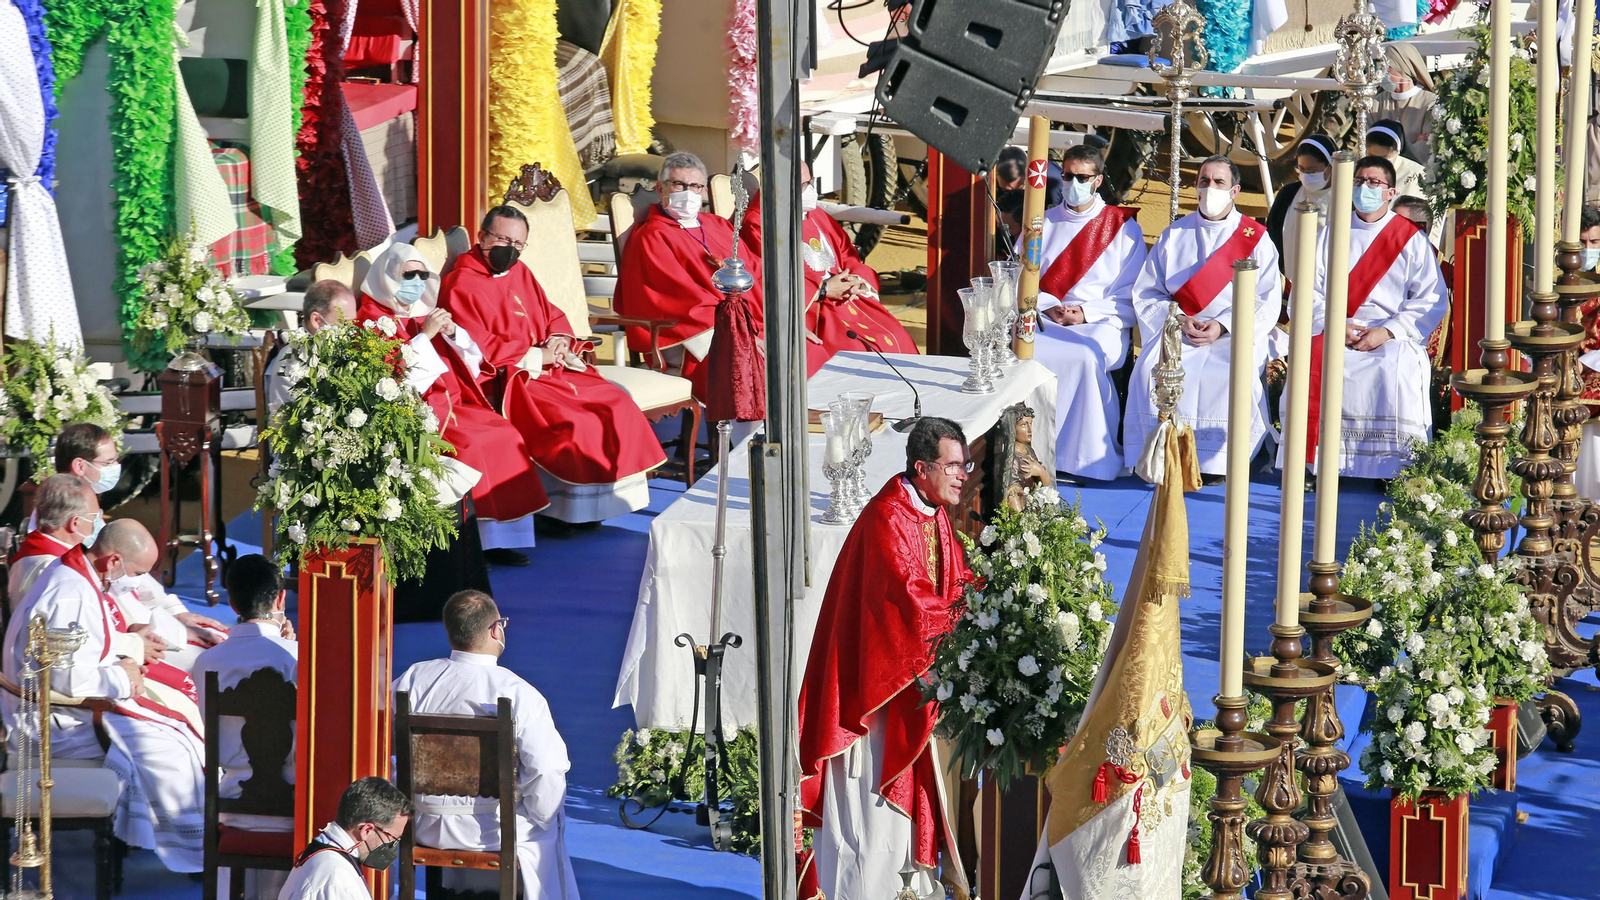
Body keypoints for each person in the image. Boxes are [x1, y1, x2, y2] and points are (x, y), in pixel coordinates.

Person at [797, 417, 971, 900]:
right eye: (953, 465)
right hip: (869, 703)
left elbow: (955, 581)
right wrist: (971, 615)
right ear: (922, 467)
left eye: (965, 465)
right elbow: (909, 606)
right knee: (870, 821)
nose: (963, 475)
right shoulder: (886, 520)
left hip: (903, 688)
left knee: (900, 824)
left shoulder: (931, 511)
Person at [440, 205, 667, 533]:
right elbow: (476, 346)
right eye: (503, 239)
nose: (510, 250)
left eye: (518, 244)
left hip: (548, 367)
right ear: (482, 237)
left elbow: (550, 313)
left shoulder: (521, 271)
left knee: (615, 403)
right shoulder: (462, 283)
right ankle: (559, 512)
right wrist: (537, 356)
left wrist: (559, 339)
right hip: (511, 376)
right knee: (576, 419)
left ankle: (593, 508)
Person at [3, 517, 205, 873]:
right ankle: (192, 848)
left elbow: (83, 647)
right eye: (138, 572)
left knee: (180, 727)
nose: (139, 581)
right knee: (170, 750)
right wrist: (123, 679)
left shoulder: (78, 577)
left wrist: (124, 652)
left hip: (69, 704)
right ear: (113, 561)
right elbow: (63, 677)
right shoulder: (69, 591)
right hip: (54, 721)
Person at [360, 242, 548, 564]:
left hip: (453, 405)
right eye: (409, 275)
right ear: (389, 276)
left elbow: (470, 362)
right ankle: (473, 544)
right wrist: (425, 336)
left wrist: (453, 334)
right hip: (418, 415)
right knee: (473, 447)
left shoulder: (422, 312)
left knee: (507, 435)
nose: (417, 282)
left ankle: (499, 541)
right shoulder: (372, 320)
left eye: (422, 274)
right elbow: (391, 381)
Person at [392, 591, 579, 899]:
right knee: (549, 820)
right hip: (492, 832)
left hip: (422, 822)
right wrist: (541, 816)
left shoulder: (414, 678)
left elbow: (383, 740)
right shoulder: (518, 692)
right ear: (496, 630)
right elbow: (546, 769)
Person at [1288, 156, 1448, 479]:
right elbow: (1308, 290)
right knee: (1315, 360)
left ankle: (1393, 469)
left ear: (1390, 193)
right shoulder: (1332, 232)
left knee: (1397, 369)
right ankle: (1315, 466)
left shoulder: (1410, 239)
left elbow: (1432, 297)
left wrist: (1387, 332)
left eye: (1374, 182)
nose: (1365, 188)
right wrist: (1335, 325)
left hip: (1388, 334)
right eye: (1359, 181)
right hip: (1337, 328)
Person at [1125, 156, 1281, 480]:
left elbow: (1266, 299)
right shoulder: (1174, 234)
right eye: (1204, 181)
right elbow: (1147, 292)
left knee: (1228, 377)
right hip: (1178, 330)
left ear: (1235, 190)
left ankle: (1219, 463)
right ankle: (1160, 453)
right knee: (1148, 373)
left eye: (1219, 182)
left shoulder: (1256, 238)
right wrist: (1180, 319)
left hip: (1231, 334)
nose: (1210, 188)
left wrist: (1222, 325)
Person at [49, 424, 227, 661]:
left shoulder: (89, 511)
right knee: (212, 662)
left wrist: (175, 612)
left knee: (219, 644)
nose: (116, 469)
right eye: (108, 463)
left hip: (139, 624)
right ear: (80, 466)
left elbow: (133, 575)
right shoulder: (65, 529)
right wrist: (166, 630)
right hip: (122, 640)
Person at [1027, 143, 1146, 481]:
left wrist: (1085, 313)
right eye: (1067, 176)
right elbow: (1022, 278)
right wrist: (1050, 307)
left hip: (1102, 320)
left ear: (1098, 180)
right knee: (1027, 352)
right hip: (1046, 318)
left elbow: (1131, 291)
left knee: (1083, 356)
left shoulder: (1122, 228)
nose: (1072, 183)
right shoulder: (1041, 224)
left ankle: (1084, 458)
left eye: (1081, 177)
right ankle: (1032, 452)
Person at [739, 161, 921, 374]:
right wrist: (822, 290)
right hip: (810, 309)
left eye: (809, 182)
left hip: (850, 299)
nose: (810, 191)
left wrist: (858, 282)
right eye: (803, 185)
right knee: (858, 352)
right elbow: (767, 280)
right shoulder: (760, 224)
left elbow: (847, 253)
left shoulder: (815, 214)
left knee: (894, 334)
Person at [613, 152, 766, 400]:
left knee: (798, 349)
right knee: (751, 368)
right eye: (679, 185)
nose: (688, 192)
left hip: (746, 325)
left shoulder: (717, 225)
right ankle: (739, 437)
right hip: (694, 337)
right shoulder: (653, 236)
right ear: (661, 188)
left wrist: (776, 323)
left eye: (695, 186)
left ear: (704, 192)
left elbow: (755, 272)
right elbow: (679, 300)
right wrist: (738, 335)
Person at [191, 554, 298, 900]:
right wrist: (294, 646)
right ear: (280, 599)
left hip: (232, 801)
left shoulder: (207, 662)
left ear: (232, 601)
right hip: (293, 807)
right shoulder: (298, 659)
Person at [279, 776, 412, 900]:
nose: (393, 845)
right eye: (393, 838)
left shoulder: (330, 858)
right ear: (367, 830)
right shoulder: (335, 881)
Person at [266, 281, 359, 413]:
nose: (351, 330)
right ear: (317, 320)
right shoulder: (292, 364)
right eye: (344, 323)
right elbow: (306, 421)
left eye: (353, 323)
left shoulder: (343, 350)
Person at [1266, 134, 1338, 278]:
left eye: (1313, 170)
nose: (1307, 176)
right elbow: (1272, 235)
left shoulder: (1345, 198)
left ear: (1330, 167)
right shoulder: (1288, 194)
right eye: (1302, 169)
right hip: (1290, 279)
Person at [1370, 42, 1438, 168]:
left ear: (1402, 67)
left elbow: (1425, 148)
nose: (1382, 72)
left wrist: (1388, 154)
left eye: (1387, 66)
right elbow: (1368, 145)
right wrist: (1410, 146)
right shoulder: (1376, 104)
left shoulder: (1430, 102)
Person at [1366, 119, 1426, 199]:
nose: (1377, 162)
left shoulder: (1416, 174)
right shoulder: (1357, 171)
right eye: (1372, 156)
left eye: (1383, 158)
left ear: (1397, 152)